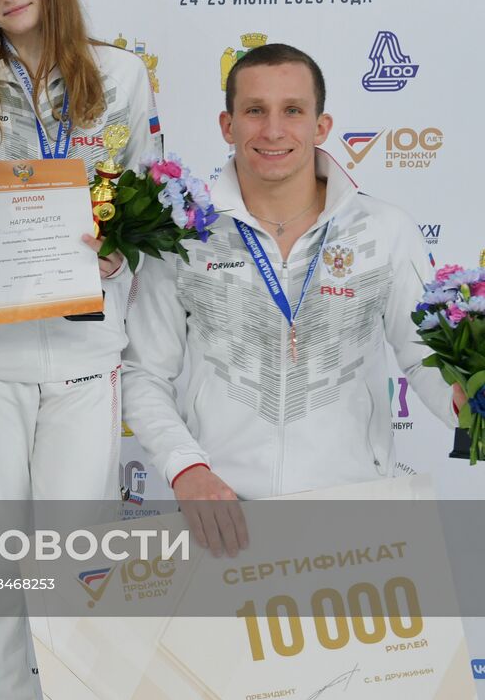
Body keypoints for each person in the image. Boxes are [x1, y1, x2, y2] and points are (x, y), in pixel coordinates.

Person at [0, 0, 161, 700]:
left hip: (83, 361)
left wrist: (116, 247)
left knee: (76, 581)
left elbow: (154, 207)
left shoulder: (123, 77)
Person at [122, 42, 461, 550]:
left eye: (293, 111)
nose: (273, 131)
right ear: (227, 124)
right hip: (224, 522)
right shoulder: (182, 236)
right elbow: (143, 372)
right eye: (255, 110)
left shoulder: (385, 229)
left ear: (321, 126)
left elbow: (422, 356)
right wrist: (185, 467)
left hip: (356, 517)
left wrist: (467, 401)